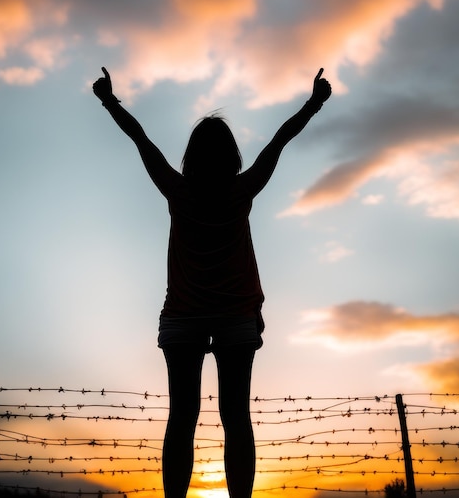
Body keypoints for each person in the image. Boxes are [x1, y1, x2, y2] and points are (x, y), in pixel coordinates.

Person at [93, 67, 332, 498]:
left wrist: (110, 101)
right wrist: (313, 103)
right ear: (231, 155)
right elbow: (280, 140)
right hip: (236, 316)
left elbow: (140, 139)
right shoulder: (243, 189)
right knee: (235, 417)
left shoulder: (177, 189)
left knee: (181, 418)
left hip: (183, 316)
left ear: (191, 156)